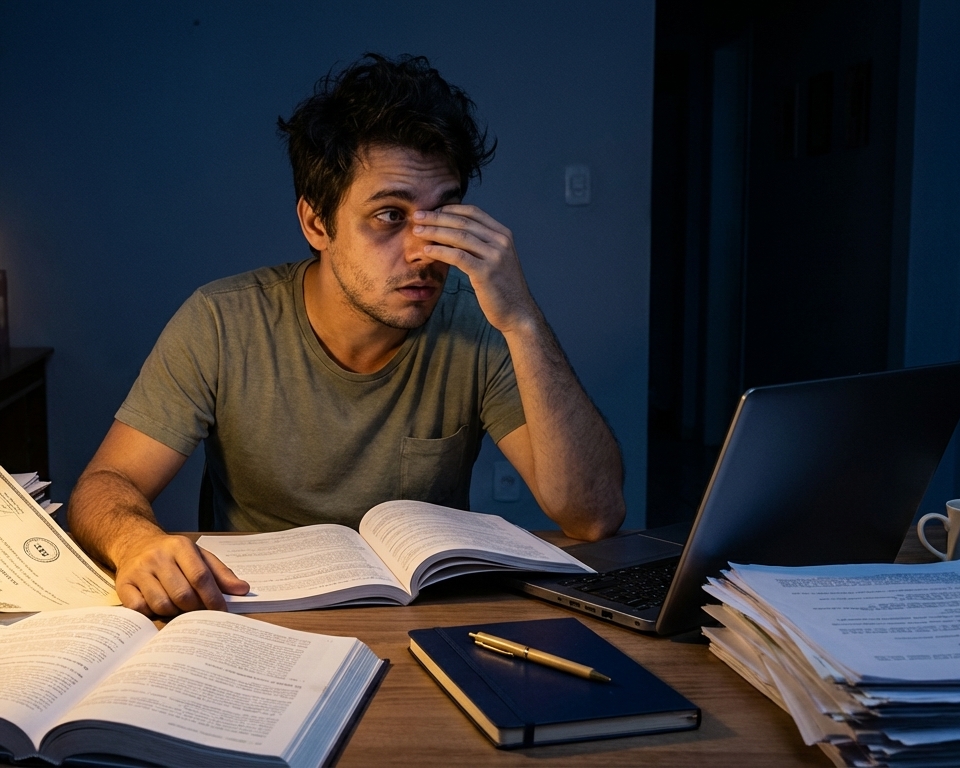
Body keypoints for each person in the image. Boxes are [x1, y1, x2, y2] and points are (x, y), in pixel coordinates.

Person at [69, 53, 625, 617]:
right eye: (390, 216)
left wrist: (523, 319)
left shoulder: (482, 319)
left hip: (421, 617)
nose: (424, 252)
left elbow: (593, 515)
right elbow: (104, 483)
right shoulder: (220, 321)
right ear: (317, 223)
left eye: (443, 214)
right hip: (257, 614)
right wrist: (135, 541)